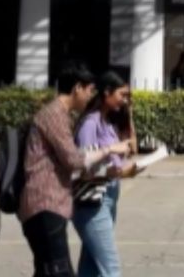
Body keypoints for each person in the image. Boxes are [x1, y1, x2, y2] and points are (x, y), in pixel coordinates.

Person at [19, 61, 131, 277]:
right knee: (60, 272)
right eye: (89, 90)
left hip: (50, 206)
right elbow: (74, 160)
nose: (91, 97)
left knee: (48, 271)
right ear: (77, 88)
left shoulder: (59, 114)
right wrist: (108, 150)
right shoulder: (54, 115)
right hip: (45, 204)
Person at [71, 71, 145, 277]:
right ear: (106, 93)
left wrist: (128, 112)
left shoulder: (109, 122)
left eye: (128, 96)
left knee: (91, 267)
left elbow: (133, 147)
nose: (125, 99)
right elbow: (85, 167)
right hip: (93, 203)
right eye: (122, 95)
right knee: (110, 269)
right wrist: (120, 172)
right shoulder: (90, 123)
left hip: (107, 199)